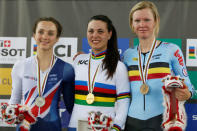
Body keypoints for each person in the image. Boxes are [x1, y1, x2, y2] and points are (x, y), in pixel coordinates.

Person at [123, 1, 195, 131]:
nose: (142, 24)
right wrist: (84, 57)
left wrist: (187, 94)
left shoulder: (172, 50)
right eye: (137, 20)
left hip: (162, 120)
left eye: (147, 20)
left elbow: (190, 87)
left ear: (156, 21)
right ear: (132, 24)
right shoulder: (127, 55)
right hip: (131, 122)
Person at [9, 17, 75, 131]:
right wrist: (9, 113)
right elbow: (14, 102)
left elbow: (72, 107)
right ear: (34, 35)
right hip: (25, 128)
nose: (45, 37)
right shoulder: (20, 66)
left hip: (52, 127)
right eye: (41, 32)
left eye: (50, 33)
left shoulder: (66, 69)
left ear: (57, 38)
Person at [68, 15, 130, 131]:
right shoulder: (78, 60)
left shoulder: (119, 67)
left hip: (105, 127)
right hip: (75, 126)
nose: (94, 35)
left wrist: (115, 128)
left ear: (109, 34)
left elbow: (124, 102)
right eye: (90, 31)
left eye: (100, 31)